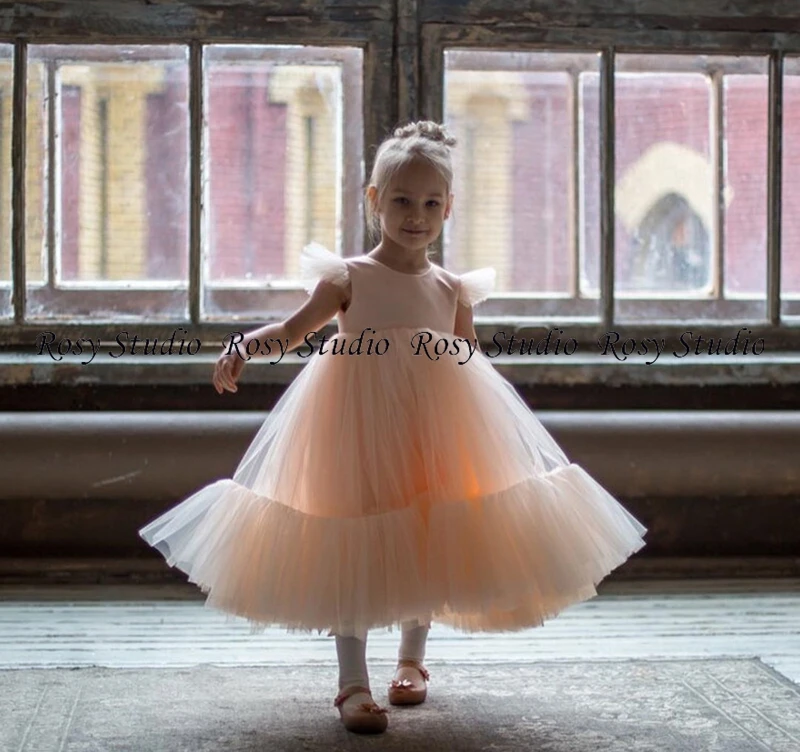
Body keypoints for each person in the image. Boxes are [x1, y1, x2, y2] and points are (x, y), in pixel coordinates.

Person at [139, 120, 648, 736]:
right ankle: (351, 682)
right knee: (349, 525)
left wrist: (486, 427)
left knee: (430, 520)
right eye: (402, 201)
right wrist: (244, 345)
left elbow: (466, 358)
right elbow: (294, 332)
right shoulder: (349, 278)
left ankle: (412, 662)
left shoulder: (452, 288)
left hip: (436, 419)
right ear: (373, 200)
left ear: (449, 208)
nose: (417, 215)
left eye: (432, 203)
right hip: (353, 417)